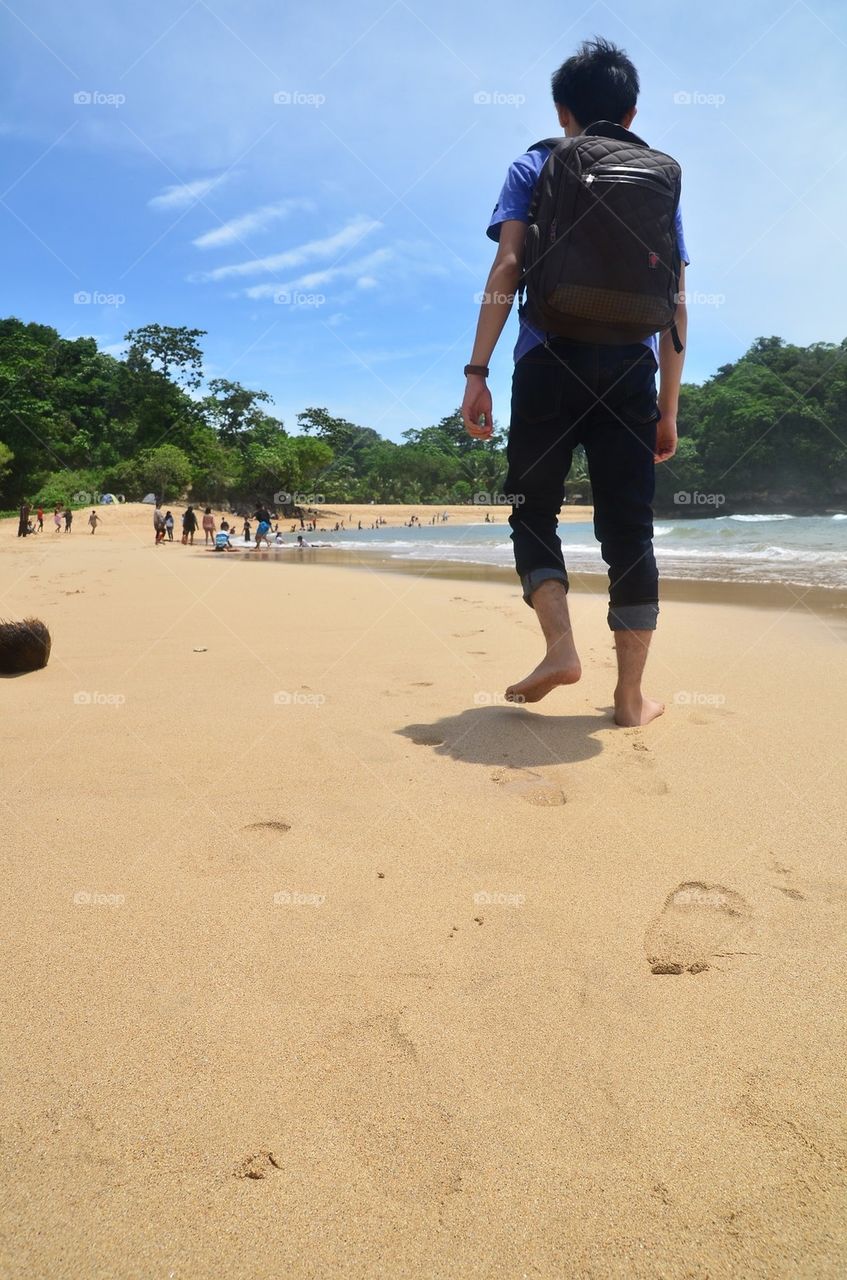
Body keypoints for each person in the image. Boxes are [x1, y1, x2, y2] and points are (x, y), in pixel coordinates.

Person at [461, 37, 688, 727]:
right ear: (631, 110)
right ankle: (629, 697)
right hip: (629, 367)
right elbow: (675, 302)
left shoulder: (535, 162)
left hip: (545, 357)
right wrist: (667, 409)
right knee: (629, 530)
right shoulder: (658, 178)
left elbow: (506, 269)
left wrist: (476, 372)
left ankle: (560, 647)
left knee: (533, 510)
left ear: (562, 111)